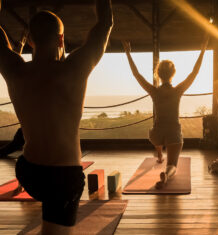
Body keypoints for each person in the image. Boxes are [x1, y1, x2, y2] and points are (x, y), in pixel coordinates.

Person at [0, 0, 113, 234]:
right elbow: (105, 23)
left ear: (30, 40)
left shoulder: (14, 70)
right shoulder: (75, 68)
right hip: (63, 177)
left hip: (28, 171)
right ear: (61, 39)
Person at [122, 36, 209, 189]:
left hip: (156, 136)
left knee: (156, 132)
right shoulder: (177, 91)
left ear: (158, 74)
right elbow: (194, 72)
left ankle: (160, 153)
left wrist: (128, 52)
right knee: (173, 164)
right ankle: (167, 174)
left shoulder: (153, 91)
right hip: (173, 134)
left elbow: (137, 74)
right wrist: (203, 50)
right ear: (173, 74)